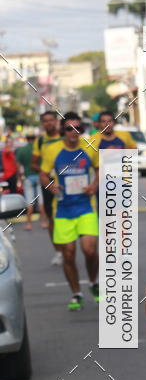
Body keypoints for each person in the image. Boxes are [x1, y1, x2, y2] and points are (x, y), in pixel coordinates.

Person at [39, 112, 100, 311]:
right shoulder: (52, 150)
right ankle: (76, 293)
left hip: (86, 207)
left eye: (78, 128)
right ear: (62, 130)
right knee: (68, 255)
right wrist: (51, 187)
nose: (74, 132)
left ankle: (93, 282)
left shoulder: (89, 147)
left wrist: (94, 185)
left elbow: (100, 168)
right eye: (69, 128)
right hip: (63, 210)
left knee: (89, 250)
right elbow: (43, 174)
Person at [31, 109, 63, 264]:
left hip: (66, 180)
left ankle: (70, 246)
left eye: (51, 120)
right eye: (45, 121)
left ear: (56, 122)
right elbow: (33, 164)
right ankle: (58, 252)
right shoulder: (40, 141)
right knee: (52, 218)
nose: (49, 123)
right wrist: (45, 171)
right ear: (42, 124)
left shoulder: (64, 137)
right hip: (49, 182)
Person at [16, 130, 47, 230]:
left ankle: (28, 224)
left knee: (30, 202)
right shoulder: (39, 149)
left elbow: (17, 165)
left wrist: (20, 178)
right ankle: (44, 222)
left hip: (28, 178)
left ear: (26, 138)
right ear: (35, 138)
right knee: (41, 201)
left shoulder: (22, 150)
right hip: (39, 177)